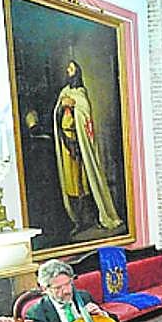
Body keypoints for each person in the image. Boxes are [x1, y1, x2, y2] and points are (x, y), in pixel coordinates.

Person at [54, 59, 123, 235]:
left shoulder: (80, 93)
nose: (68, 72)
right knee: (70, 182)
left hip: (79, 143)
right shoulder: (64, 92)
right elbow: (57, 112)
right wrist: (63, 107)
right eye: (67, 69)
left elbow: (85, 114)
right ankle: (76, 219)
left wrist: (73, 105)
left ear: (77, 73)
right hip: (65, 142)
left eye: (71, 69)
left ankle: (91, 217)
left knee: (83, 180)